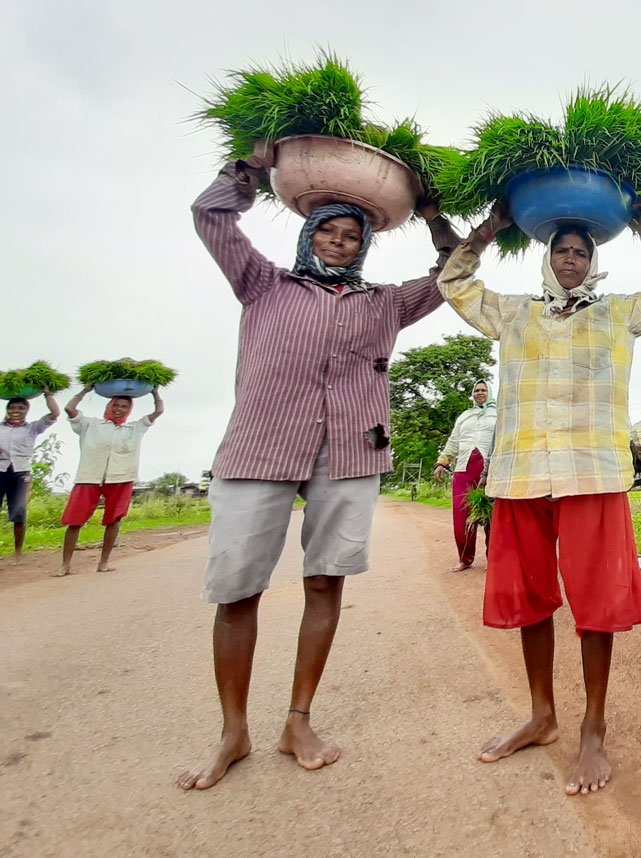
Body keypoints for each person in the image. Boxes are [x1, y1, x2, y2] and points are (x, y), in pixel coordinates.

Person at [178, 156, 459, 791]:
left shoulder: (385, 303)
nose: (340, 241)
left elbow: (453, 276)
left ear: (364, 246)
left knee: (326, 583)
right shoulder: (263, 284)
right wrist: (246, 166)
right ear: (309, 233)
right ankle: (233, 729)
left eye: (353, 235)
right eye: (330, 231)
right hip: (259, 448)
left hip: (350, 451)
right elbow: (210, 216)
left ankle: (297, 719)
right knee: (238, 589)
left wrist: (440, 218)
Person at [438, 200, 641, 796]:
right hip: (523, 473)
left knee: (596, 601)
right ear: (546, 259)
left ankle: (593, 726)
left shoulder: (617, 314)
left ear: (592, 259)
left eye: (580, 251)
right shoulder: (513, 314)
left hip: (593, 471)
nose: (570, 259)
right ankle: (541, 714)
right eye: (561, 251)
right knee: (528, 598)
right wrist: (488, 231)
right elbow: (454, 283)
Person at [58, 385, 164, 575]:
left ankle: (103, 562)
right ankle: (65, 564)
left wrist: (154, 392)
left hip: (121, 477)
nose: (119, 409)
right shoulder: (90, 424)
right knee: (75, 520)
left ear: (129, 410)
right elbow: (69, 409)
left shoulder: (135, 428)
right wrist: (85, 390)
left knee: (113, 520)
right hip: (89, 476)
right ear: (109, 405)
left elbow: (159, 411)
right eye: (116, 405)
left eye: (124, 406)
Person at [435, 378, 497, 570]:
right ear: (472, 394)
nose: (479, 393)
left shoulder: (499, 414)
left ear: (490, 393)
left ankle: (492, 560)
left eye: (483, 390)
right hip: (463, 470)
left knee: (492, 518)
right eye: (476, 390)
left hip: (490, 471)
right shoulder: (464, 416)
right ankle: (465, 558)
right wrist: (441, 463)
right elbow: (453, 442)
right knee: (461, 519)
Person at [1, 392, 60, 558]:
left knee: (19, 513)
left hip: (21, 473)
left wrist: (48, 394)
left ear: (27, 411)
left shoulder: (32, 428)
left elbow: (55, 413)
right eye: (12, 407)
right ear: (7, 409)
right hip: (0, 470)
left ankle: (18, 552)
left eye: (21, 407)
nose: (16, 410)